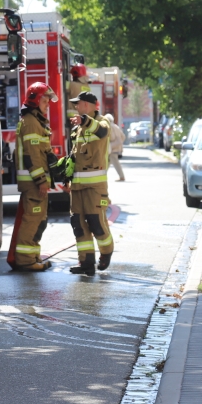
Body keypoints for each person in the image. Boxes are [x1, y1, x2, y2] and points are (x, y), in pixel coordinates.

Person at [12, 82, 57, 271]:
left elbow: (41, 152)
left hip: (35, 181)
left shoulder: (35, 121)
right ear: (36, 100)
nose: (48, 104)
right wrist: (40, 181)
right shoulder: (31, 122)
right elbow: (32, 155)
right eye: (45, 100)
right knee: (33, 219)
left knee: (39, 220)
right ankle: (26, 260)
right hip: (33, 182)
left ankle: (32, 256)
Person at [68, 91, 113, 276]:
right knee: (78, 224)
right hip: (77, 186)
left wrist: (84, 121)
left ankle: (106, 251)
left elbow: (100, 130)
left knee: (96, 222)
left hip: (95, 187)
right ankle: (86, 262)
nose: (76, 107)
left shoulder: (103, 122)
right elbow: (74, 156)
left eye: (78, 104)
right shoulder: (77, 128)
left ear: (87, 105)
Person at [104, 113, 126, 181]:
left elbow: (118, 140)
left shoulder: (111, 127)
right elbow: (123, 137)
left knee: (114, 163)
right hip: (115, 148)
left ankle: (121, 177)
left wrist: (110, 145)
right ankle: (103, 175)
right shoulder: (115, 126)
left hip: (113, 149)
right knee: (107, 162)